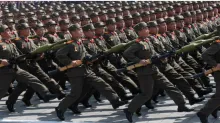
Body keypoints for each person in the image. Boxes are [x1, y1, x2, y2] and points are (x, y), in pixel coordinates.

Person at [123, 22, 193, 123]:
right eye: (145, 29)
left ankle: (181, 105)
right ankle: (129, 110)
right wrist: (138, 60)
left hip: (154, 69)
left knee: (169, 86)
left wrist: (162, 56)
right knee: (146, 94)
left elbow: (152, 53)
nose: (147, 30)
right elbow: (127, 53)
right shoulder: (137, 44)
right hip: (144, 72)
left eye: (147, 28)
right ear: (139, 31)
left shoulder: (147, 41)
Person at [55, 24, 127, 121]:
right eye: (78, 30)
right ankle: (60, 108)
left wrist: (89, 58)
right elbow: (59, 54)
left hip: (86, 70)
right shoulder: (70, 44)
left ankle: (115, 101)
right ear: (73, 32)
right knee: (75, 93)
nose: (81, 32)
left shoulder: (79, 42)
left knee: (102, 83)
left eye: (80, 30)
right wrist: (70, 62)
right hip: (75, 72)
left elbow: (84, 54)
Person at [197, 38, 220, 123]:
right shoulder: (217, 44)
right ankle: (203, 113)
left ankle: (215, 108)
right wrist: (215, 64)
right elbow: (205, 55)